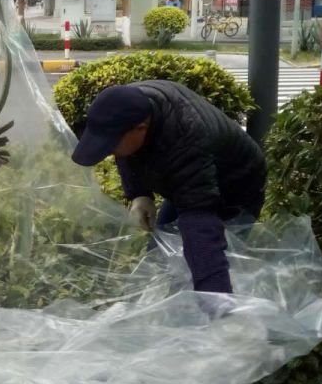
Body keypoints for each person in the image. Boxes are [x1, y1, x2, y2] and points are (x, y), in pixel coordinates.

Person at [71, 81, 267, 293]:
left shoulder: (185, 137)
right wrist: (139, 194)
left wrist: (217, 305)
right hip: (190, 178)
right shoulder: (130, 106)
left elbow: (200, 223)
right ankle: (172, 306)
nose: (109, 152)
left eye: (111, 146)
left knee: (211, 259)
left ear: (142, 128)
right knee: (161, 257)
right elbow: (126, 153)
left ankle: (217, 308)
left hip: (237, 184)